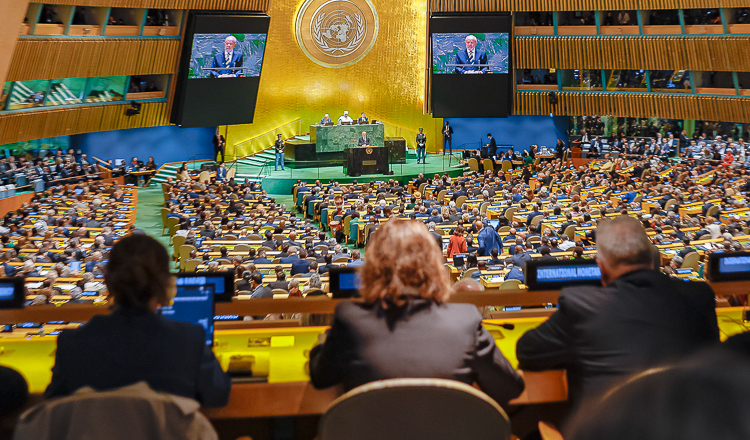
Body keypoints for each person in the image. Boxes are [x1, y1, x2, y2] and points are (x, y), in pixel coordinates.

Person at [309, 220, 525, 406]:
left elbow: (321, 377)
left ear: (373, 266)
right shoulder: (466, 319)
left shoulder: (350, 318)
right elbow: (510, 388)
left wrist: (323, 343)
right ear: (433, 265)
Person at [516, 216, 719, 407]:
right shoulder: (699, 297)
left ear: (601, 267)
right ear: (653, 260)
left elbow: (527, 351)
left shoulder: (582, 305)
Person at [44, 235, 231, 407]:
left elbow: (54, 406)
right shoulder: (190, 340)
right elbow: (217, 396)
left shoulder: (71, 343)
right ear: (165, 286)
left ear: (107, 282)